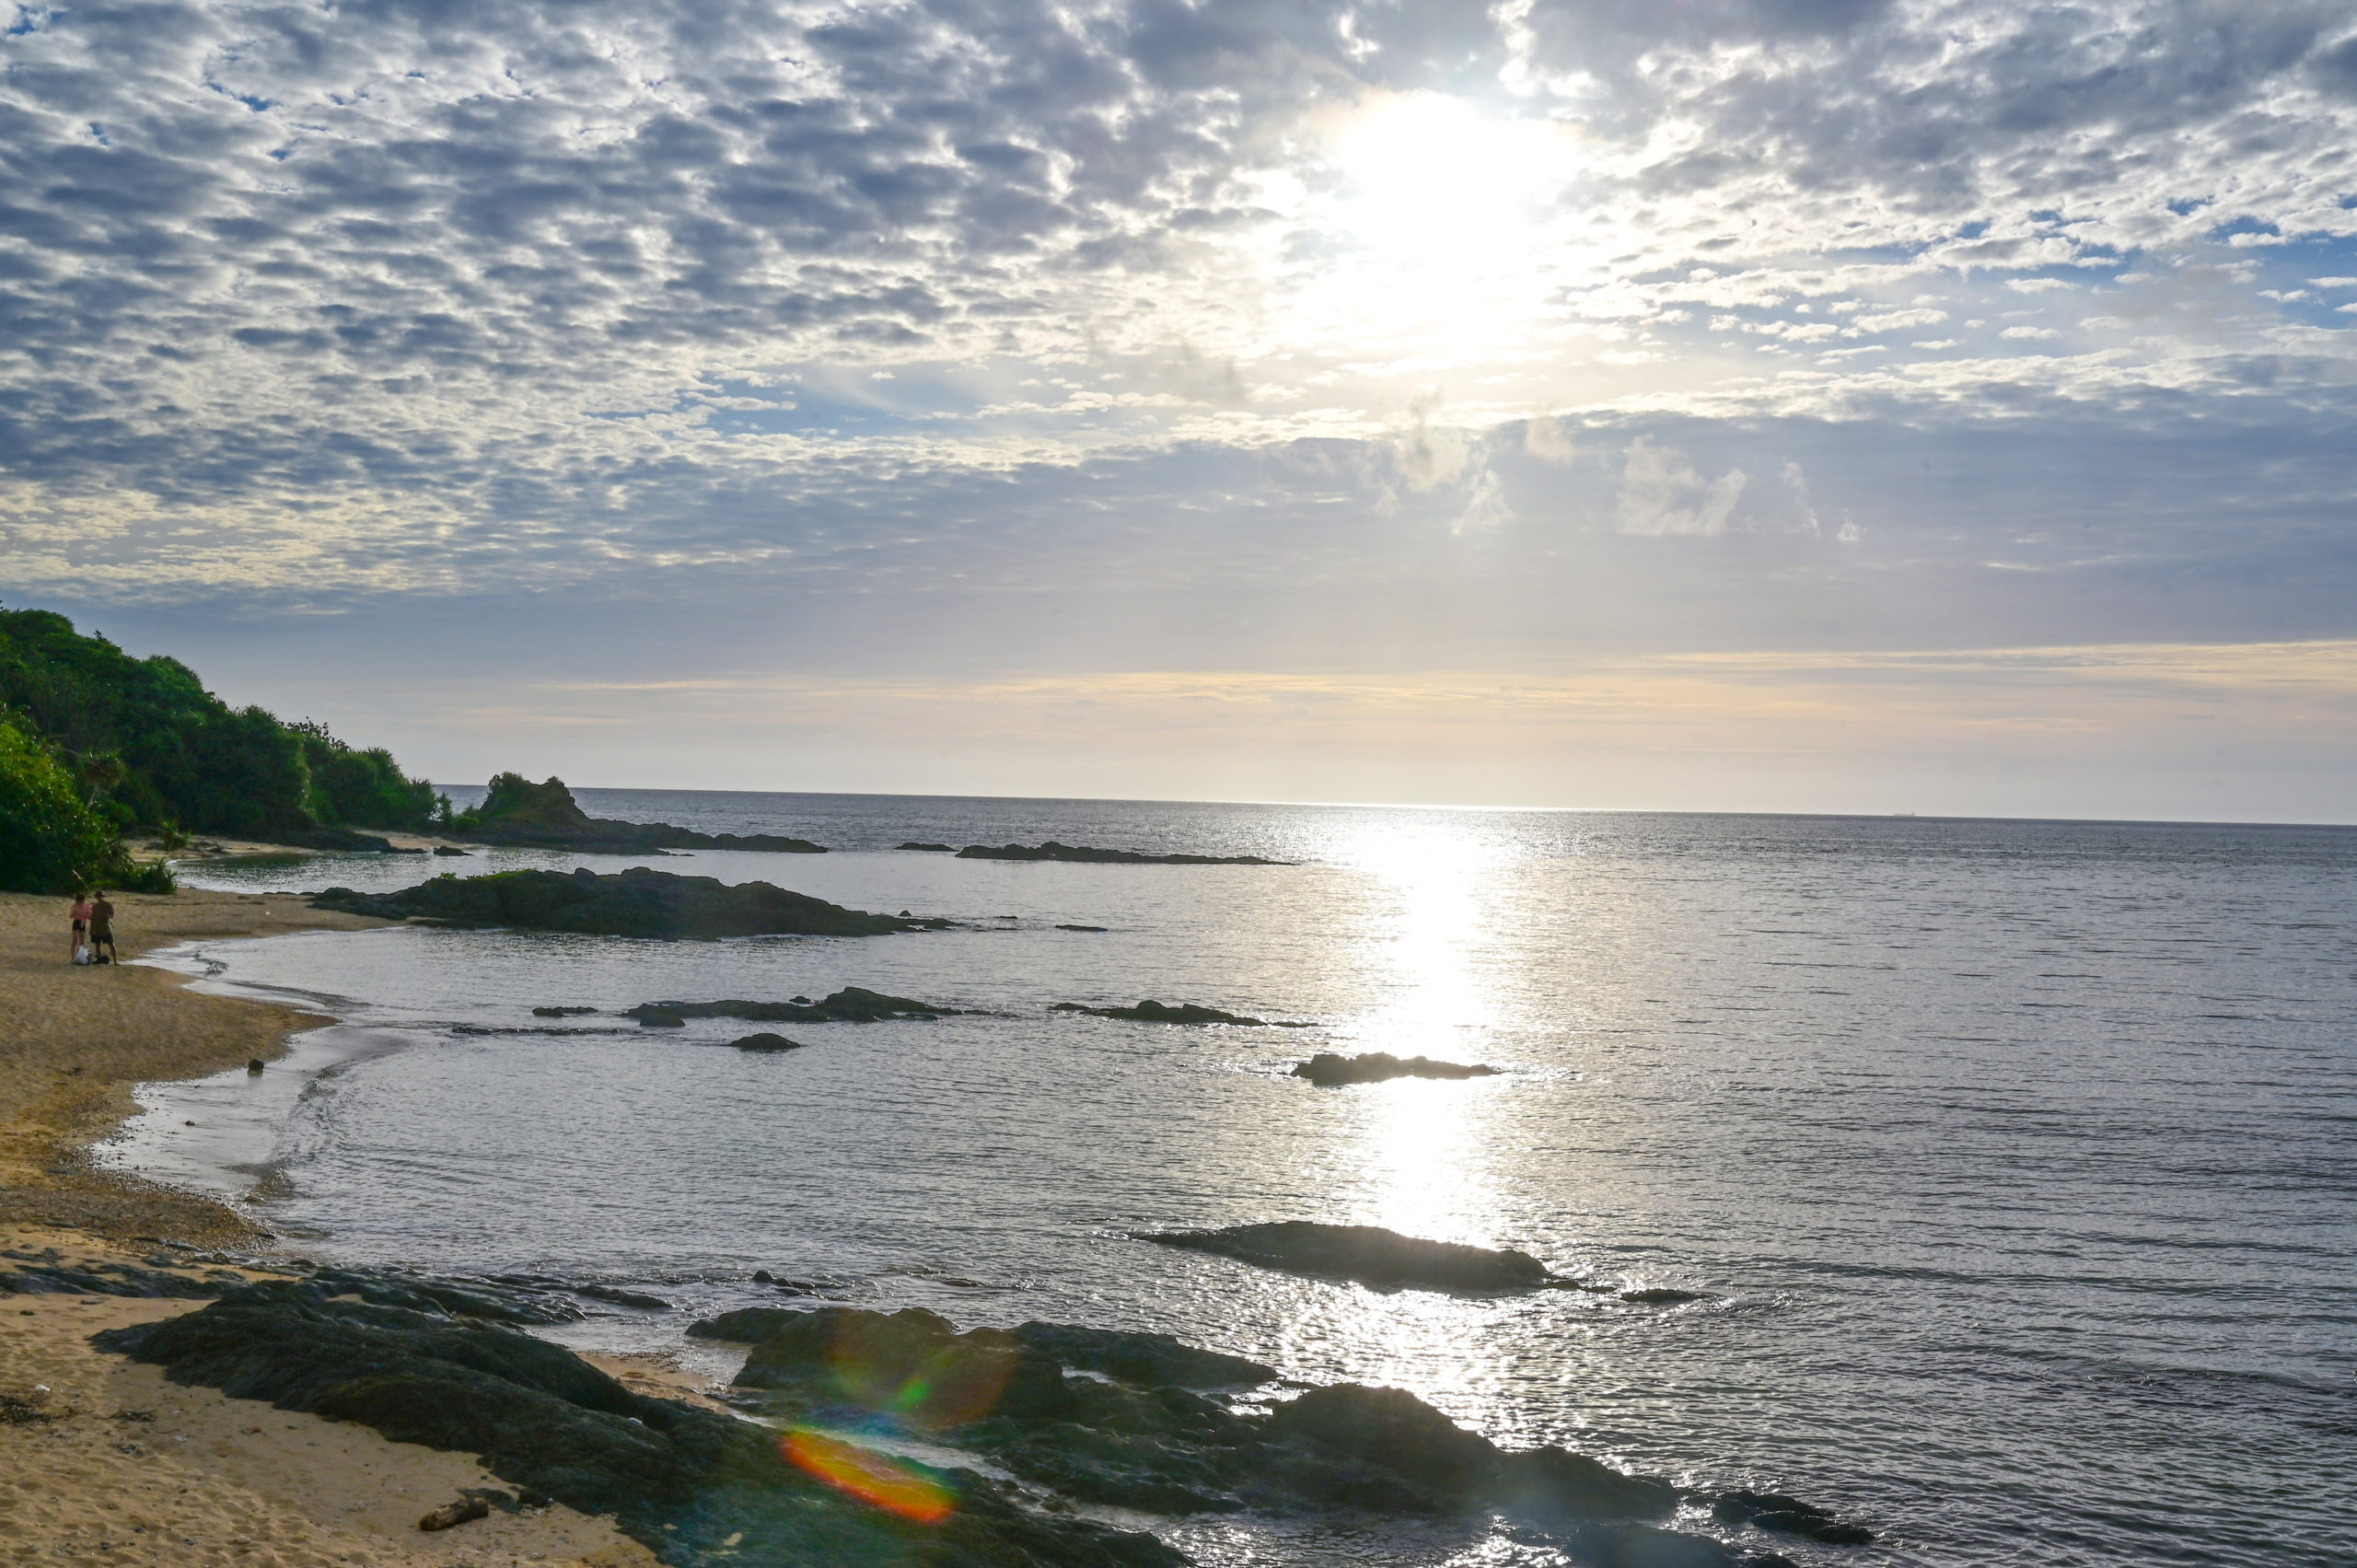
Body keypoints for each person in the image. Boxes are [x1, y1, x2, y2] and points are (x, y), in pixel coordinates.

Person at [87, 890, 116, 965]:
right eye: (98, 896)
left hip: (105, 928)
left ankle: (115, 961)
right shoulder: (94, 907)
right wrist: (91, 929)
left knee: (111, 944)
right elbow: (91, 918)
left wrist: (107, 915)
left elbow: (112, 915)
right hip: (96, 928)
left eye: (100, 896)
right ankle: (99, 959)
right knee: (97, 945)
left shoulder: (108, 905)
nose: (99, 898)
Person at [68, 891, 90, 960]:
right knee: (75, 941)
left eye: (82, 901)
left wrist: (85, 917)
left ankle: (80, 957)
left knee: (82, 942)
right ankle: (73, 957)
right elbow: (71, 916)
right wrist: (75, 913)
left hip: (83, 921)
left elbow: (89, 914)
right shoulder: (74, 906)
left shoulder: (86, 905)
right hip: (77, 921)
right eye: (79, 901)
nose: (81, 903)